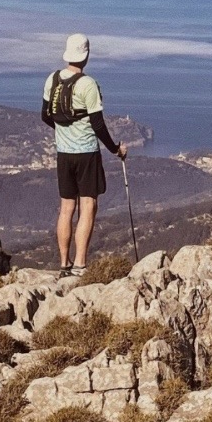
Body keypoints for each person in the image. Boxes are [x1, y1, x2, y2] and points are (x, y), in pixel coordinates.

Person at [42, 33, 127, 278]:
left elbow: (45, 116)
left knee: (66, 207)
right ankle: (80, 264)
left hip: (63, 152)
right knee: (88, 205)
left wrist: (63, 131)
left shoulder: (53, 79)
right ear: (87, 55)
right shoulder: (88, 84)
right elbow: (98, 125)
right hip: (87, 153)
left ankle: (63, 264)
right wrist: (115, 150)